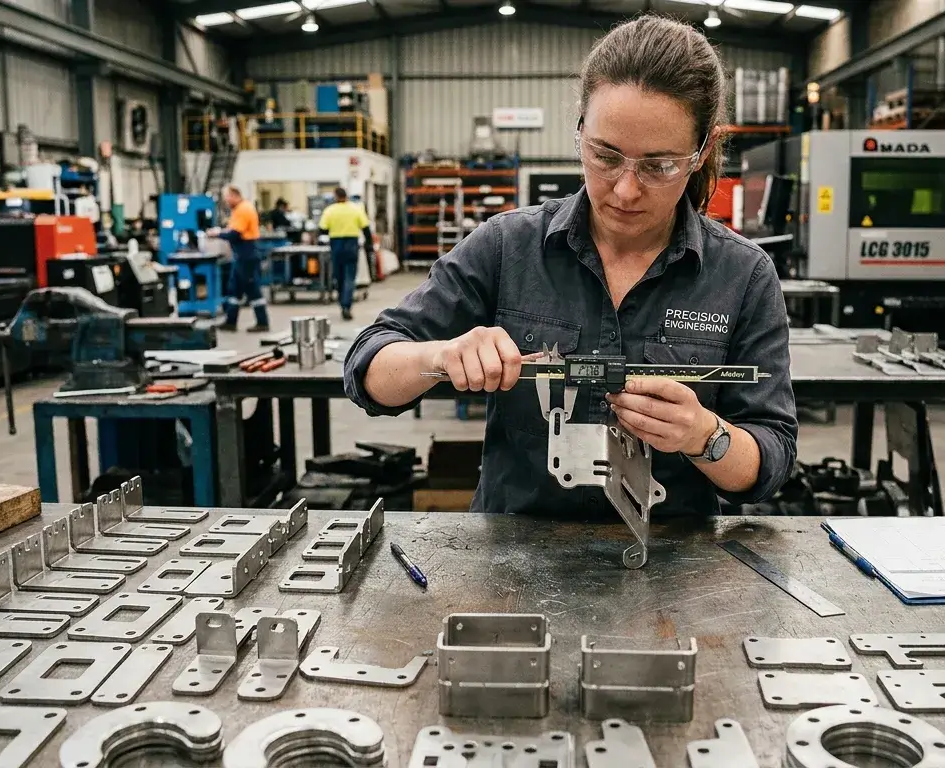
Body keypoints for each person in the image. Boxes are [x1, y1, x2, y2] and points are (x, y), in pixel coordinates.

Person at [342, 16, 797, 518]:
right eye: (605, 155)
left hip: (677, 571)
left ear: (701, 151)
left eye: (658, 165)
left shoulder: (743, 276)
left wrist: (705, 437)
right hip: (512, 561)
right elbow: (368, 370)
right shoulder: (506, 246)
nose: (626, 189)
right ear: (580, 129)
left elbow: (769, 460)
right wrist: (442, 355)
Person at [210, 184, 269, 332]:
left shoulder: (244, 209)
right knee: (234, 289)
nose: (226, 201)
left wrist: (217, 234)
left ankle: (263, 322)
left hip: (246, 254)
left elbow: (234, 234)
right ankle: (231, 321)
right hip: (241, 254)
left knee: (253, 289)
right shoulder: (239, 209)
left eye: (227, 197)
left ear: (235, 195)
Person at [318, 187, 375, 321]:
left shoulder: (330, 210)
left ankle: (341, 302)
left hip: (336, 245)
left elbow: (322, 230)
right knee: (350, 277)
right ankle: (346, 306)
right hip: (351, 245)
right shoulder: (355, 209)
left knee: (339, 277)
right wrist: (369, 245)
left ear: (336, 196)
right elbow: (366, 229)